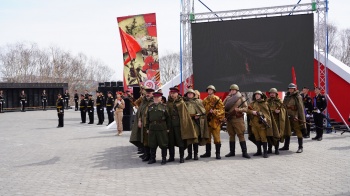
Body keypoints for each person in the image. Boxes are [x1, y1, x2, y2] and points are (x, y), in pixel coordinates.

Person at [166, 86, 197, 163]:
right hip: (170, 125)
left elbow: (184, 115)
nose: (172, 94)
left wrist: (183, 125)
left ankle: (181, 157)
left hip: (179, 125)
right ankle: (171, 156)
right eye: (171, 93)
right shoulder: (168, 102)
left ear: (177, 93)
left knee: (180, 141)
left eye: (174, 93)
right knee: (171, 141)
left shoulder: (181, 102)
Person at [222, 84, 251, 159]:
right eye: (231, 90)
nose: (232, 91)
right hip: (229, 119)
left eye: (234, 90)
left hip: (238, 119)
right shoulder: (227, 98)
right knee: (231, 135)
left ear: (237, 90)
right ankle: (232, 152)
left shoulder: (241, 98)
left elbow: (246, 108)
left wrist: (239, 110)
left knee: (240, 135)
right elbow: (222, 108)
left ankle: (244, 152)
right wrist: (224, 117)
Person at [247, 90, 278, 158]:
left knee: (263, 138)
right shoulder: (252, 104)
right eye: (256, 95)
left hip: (261, 124)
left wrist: (262, 115)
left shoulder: (265, 103)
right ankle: (259, 151)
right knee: (257, 138)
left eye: (258, 94)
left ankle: (265, 152)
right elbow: (247, 110)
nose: (257, 96)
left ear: (261, 95)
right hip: (253, 124)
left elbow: (267, 114)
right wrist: (252, 112)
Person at [280, 83, 306, 153]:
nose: (290, 89)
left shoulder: (298, 96)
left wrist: (297, 116)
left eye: (292, 88)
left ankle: (300, 147)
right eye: (289, 88)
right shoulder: (286, 96)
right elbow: (283, 106)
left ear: (294, 89)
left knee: (298, 131)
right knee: (287, 131)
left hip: (295, 117)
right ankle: (286, 146)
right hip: (287, 116)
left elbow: (300, 108)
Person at [145, 91, 171, 164]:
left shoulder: (164, 107)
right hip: (152, 127)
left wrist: (168, 128)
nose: (156, 99)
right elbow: (147, 118)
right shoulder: (150, 107)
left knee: (163, 144)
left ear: (161, 98)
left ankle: (164, 158)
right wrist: (147, 128)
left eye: (157, 97)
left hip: (161, 127)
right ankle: (152, 158)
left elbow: (168, 118)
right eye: (154, 97)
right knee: (152, 144)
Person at [130, 87, 154, 162]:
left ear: (152, 94)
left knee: (151, 141)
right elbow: (140, 112)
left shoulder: (154, 101)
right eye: (147, 93)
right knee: (144, 140)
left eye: (149, 93)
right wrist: (139, 120)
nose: (148, 94)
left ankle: (152, 157)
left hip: (151, 124)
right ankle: (147, 155)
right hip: (143, 123)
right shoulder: (144, 101)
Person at [184, 89, 209, 160]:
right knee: (189, 138)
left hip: (196, 122)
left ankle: (195, 154)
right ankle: (189, 155)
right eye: (188, 93)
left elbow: (203, 111)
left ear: (194, 94)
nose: (189, 95)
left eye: (191, 93)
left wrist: (198, 115)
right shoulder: (184, 102)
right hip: (188, 122)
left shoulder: (198, 101)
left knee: (195, 139)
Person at [201, 85, 225, 159]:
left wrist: (214, 111)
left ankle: (217, 153)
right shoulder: (205, 100)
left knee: (216, 138)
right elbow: (202, 109)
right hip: (207, 121)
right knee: (207, 138)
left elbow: (222, 110)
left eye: (211, 90)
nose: (210, 91)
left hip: (215, 122)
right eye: (208, 90)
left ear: (214, 91)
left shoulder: (217, 99)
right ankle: (208, 153)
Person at [266, 88, 290, 155]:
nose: (272, 94)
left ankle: (276, 149)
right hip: (270, 121)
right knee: (269, 135)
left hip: (277, 121)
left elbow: (284, 109)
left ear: (276, 94)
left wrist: (280, 111)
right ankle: (269, 149)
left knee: (277, 135)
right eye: (271, 93)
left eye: (273, 93)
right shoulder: (267, 101)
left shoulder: (280, 101)